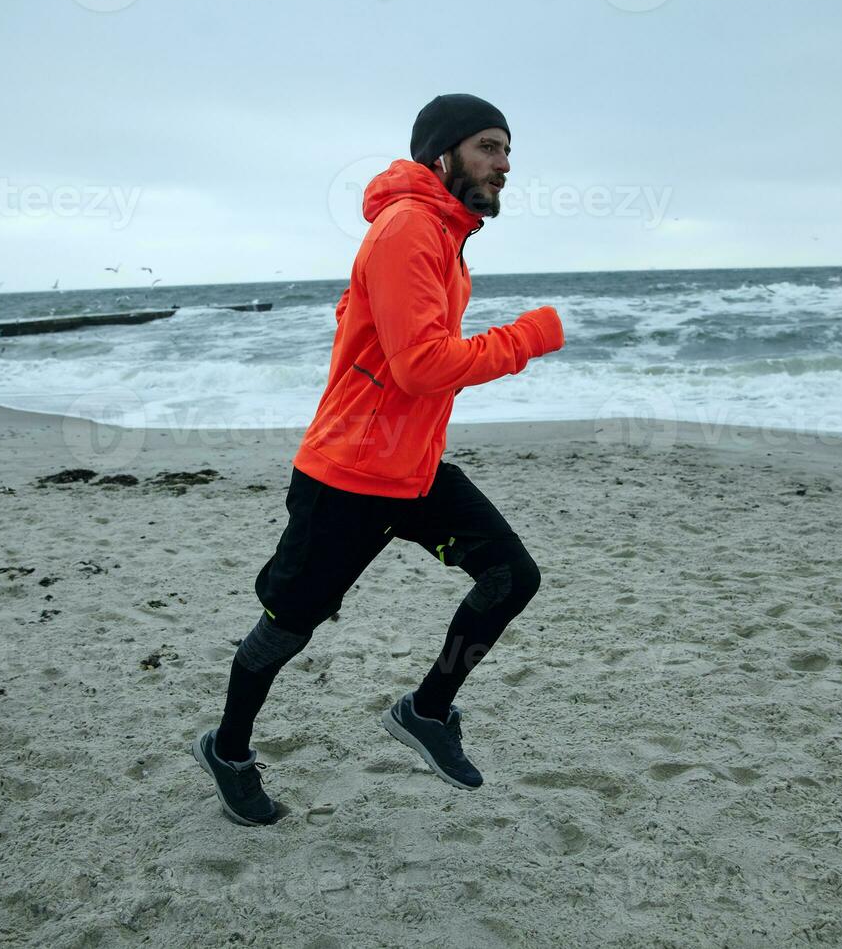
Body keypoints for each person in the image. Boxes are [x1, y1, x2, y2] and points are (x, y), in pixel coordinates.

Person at [193, 94, 566, 826]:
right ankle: (228, 750)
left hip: (413, 470)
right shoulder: (408, 229)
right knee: (286, 629)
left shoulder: (444, 236)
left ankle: (427, 711)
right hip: (347, 478)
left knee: (511, 576)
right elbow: (423, 365)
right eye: (489, 147)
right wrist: (527, 337)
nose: (505, 164)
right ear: (443, 153)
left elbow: (396, 346)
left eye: (508, 150)